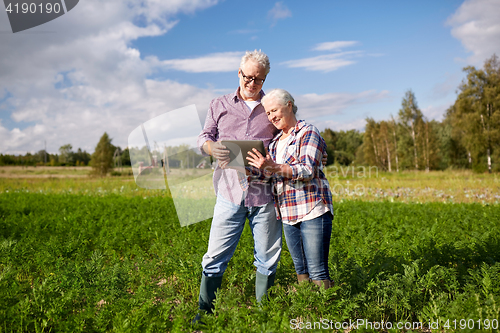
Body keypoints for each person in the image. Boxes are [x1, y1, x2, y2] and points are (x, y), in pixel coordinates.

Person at [194, 50, 282, 320]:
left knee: (267, 258)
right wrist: (213, 149)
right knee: (214, 256)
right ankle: (205, 314)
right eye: (248, 77)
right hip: (229, 193)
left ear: (265, 79)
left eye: (259, 79)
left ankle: (263, 316)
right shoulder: (219, 104)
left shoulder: (272, 107)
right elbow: (204, 137)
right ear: (239, 73)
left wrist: (270, 161)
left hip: (264, 194)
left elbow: (286, 141)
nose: (252, 84)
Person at [246, 88, 334, 289]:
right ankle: (307, 311)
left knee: (318, 271)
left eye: (274, 110)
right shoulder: (276, 143)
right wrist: (252, 169)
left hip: (312, 208)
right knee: (301, 271)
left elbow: (307, 170)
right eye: (268, 113)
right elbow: (271, 175)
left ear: (289, 105)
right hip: (287, 211)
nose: (271, 117)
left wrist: (273, 167)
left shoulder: (308, 132)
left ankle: (326, 315)